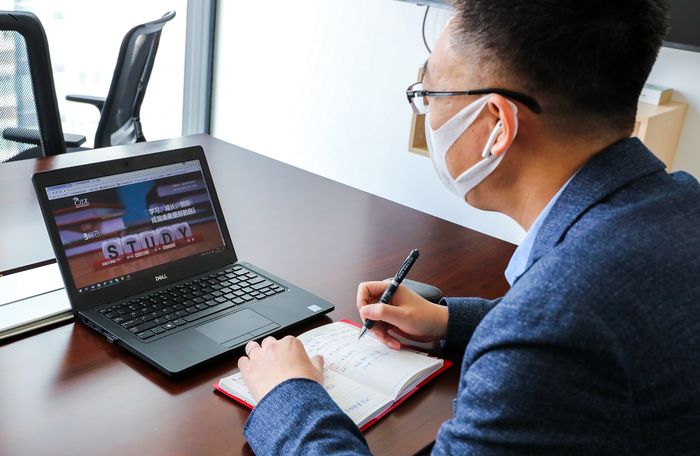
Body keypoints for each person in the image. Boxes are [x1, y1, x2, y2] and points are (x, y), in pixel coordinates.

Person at [236, 0, 700, 453]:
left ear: (497, 123)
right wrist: (446, 321)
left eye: (429, 94)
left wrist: (287, 394)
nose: (425, 112)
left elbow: (556, 327)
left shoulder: (552, 324)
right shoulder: (680, 202)